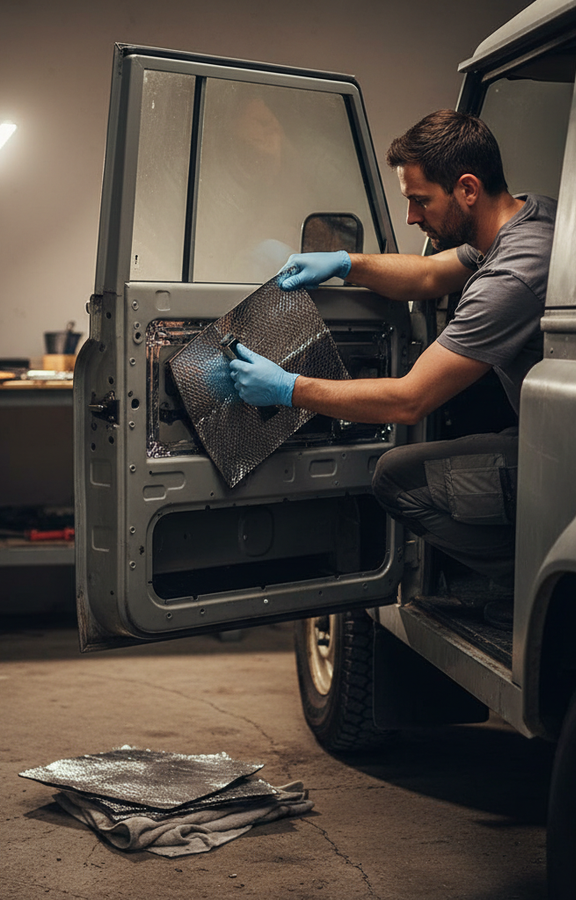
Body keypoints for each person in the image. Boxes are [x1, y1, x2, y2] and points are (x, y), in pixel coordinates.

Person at [228, 109, 557, 626]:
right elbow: (427, 274)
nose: (411, 217)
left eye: (420, 200)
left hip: (557, 461)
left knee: (395, 479)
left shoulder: (513, 277)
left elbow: (410, 400)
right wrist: (345, 263)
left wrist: (288, 388)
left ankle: (527, 585)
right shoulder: (529, 216)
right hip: (550, 438)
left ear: (467, 189)